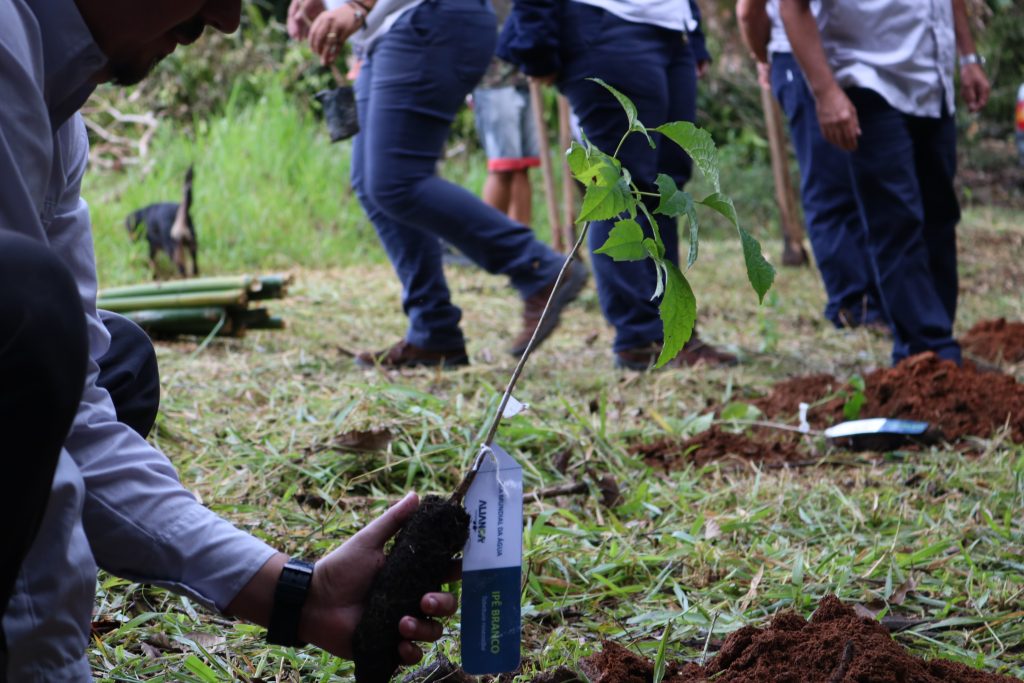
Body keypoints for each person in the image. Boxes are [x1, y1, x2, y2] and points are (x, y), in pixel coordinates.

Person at [0, 1, 458, 679]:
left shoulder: (57, 109)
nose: (225, 19)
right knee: (29, 309)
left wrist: (298, 594)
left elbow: (79, 426)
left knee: (115, 360)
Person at [290, 0, 589, 370]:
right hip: (385, 34)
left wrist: (355, 5)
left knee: (396, 181)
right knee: (372, 184)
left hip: (429, 18)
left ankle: (539, 268)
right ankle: (433, 333)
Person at [497, 0, 738, 370]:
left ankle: (671, 331)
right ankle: (638, 337)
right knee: (622, 188)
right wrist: (537, 45)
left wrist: (694, 32)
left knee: (665, 189)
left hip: (672, 30)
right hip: (602, 24)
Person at [779, 0, 989, 365]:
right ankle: (928, 351)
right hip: (869, 80)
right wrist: (826, 92)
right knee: (896, 220)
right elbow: (792, 7)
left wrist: (968, 57)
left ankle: (933, 349)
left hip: (933, 80)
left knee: (939, 218)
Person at [736, 0, 886, 331]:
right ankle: (855, 306)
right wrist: (768, 56)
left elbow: (748, 13)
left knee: (858, 182)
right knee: (832, 186)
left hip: (854, 53)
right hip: (804, 58)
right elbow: (748, 11)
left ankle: (877, 300)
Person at [472, 0, 541, 226]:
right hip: (492, 80)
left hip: (526, 75)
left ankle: (521, 245)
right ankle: (490, 245)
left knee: (522, 166)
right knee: (503, 167)